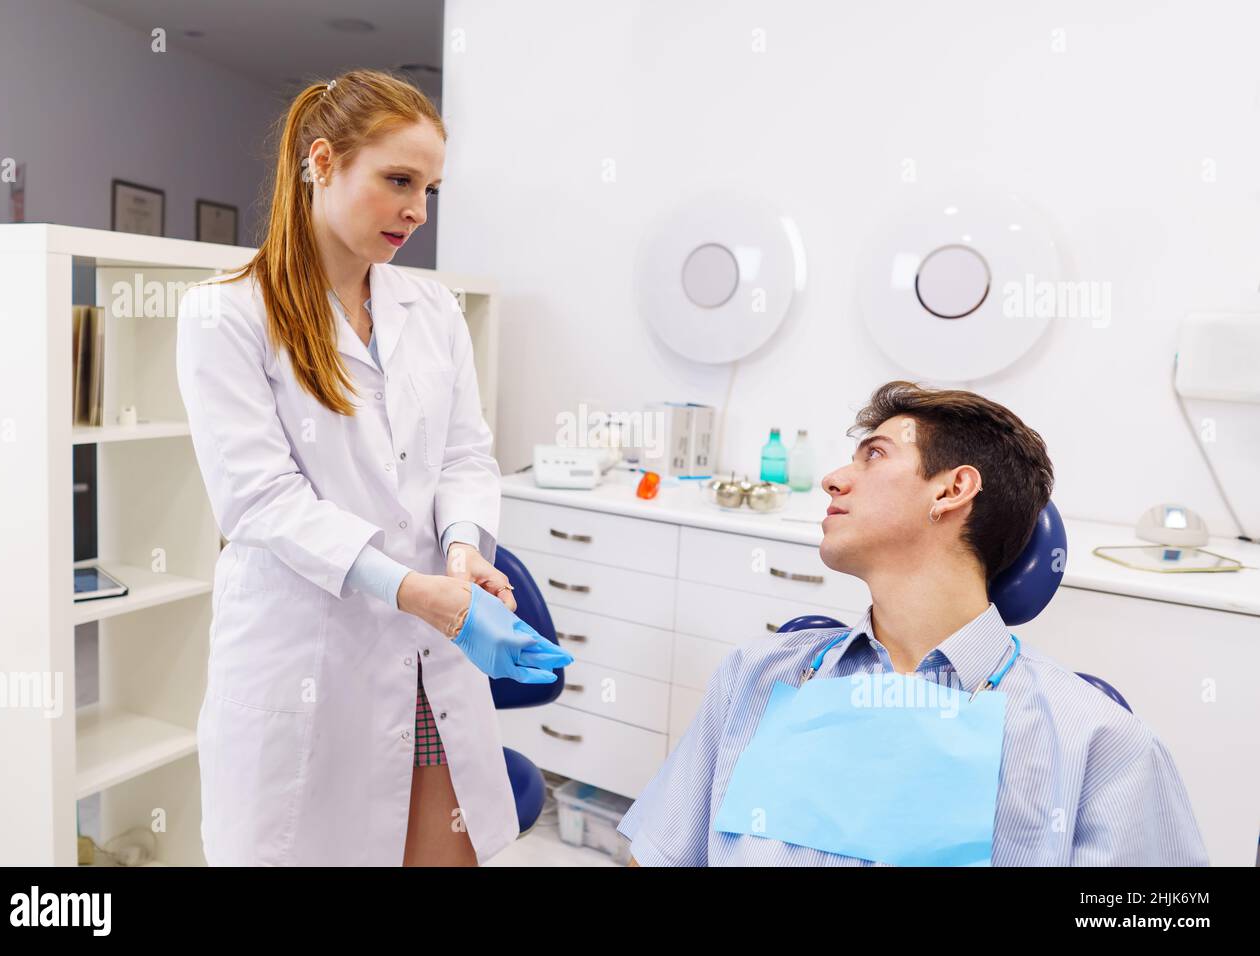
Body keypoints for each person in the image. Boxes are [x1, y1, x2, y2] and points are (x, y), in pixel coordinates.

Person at [175, 69, 568, 867]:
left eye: (429, 188)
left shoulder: (434, 311)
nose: (417, 211)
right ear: (322, 161)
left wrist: (461, 555)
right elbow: (261, 502)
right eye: (398, 180)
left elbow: (463, 454)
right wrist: (420, 593)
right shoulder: (227, 313)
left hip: (429, 660)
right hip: (308, 651)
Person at [618, 380, 1208, 866]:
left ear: (953, 489)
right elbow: (659, 855)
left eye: (874, 454)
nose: (833, 479)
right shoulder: (756, 677)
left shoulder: (1098, 744)